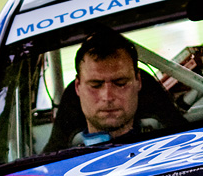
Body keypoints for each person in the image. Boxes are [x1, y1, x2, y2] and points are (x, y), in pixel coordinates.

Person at [43, 27, 184, 152]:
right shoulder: (54, 171)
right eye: (95, 85)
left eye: (120, 83)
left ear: (138, 81)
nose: (108, 96)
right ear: (77, 87)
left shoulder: (181, 148)